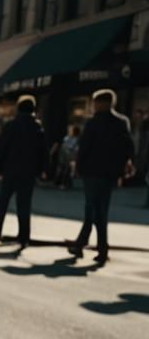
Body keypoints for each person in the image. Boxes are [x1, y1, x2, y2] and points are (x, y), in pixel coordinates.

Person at [67, 89, 134, 264]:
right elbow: (128, 147)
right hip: (110, 173)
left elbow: (84, 148)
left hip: (92, 171)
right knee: (99, 208)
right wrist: (124, 166)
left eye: (96, 102)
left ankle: (89, 245)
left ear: (104, 103)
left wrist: (78, 168)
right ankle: (90, 245)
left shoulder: (93, 123)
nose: (94, 106)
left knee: (93, 209)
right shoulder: (122, 122)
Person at [0, 95, 45, 252]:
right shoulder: (37, 127)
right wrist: (42, 171)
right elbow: (42, 152)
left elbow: (2, 148)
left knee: (2, 203)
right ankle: (23, 237)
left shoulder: (11, 125)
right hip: (28, 172)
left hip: (10, 170)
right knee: (24, 205)